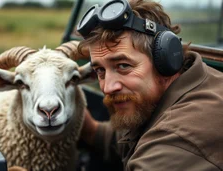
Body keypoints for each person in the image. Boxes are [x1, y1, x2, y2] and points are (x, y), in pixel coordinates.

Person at [77, 0, 223, 170]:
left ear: (167, 60)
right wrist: (85, 126)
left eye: (123, 66)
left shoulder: (177, 143)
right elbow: (124, 137)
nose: (108, 87)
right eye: (100, 70)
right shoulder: (164, 96)